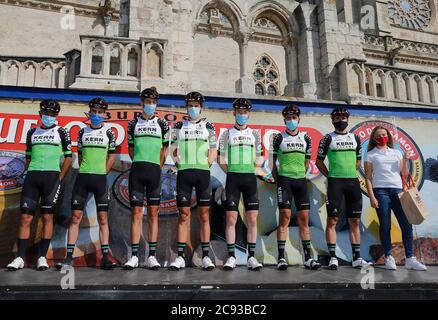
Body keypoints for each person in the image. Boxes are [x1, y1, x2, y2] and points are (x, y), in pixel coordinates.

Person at [7, 100, 72, 271]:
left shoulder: (62, 131)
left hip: (52, 178)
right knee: (25, 217)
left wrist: (60, 177)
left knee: (47, 217)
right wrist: (32, 170)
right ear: (40, 113)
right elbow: (28, 157)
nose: (49, 117)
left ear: (57, 116)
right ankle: (20, 257)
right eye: (46, 113)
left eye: (53, 114)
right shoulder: (31, 132)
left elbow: (68, 157)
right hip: (33, 177)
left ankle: (42, 257)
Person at [56, 97, 116, 270]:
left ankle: (105, 258)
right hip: (83, 178)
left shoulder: (109, 132)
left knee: (103, 219)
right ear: (89, 112)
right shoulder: (82, 132)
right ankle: (69, 258)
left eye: (99, 112)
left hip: (99, 179)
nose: (96, 115)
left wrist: (102, 172)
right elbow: (81, 155)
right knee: (75, 218)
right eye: (93, 112)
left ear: (104, 114)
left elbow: (111, 156)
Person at [316, 106, 372, 269]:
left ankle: (356, 257)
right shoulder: (327, 138)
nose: (341, 121)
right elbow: (319, 161)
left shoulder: (355, 138)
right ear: (332, 120)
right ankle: (333, 257)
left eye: (344, 118)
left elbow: (358, 160)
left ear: (348, 119)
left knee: (354, 220)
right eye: (337, 118)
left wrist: (348, 171)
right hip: (335, 182)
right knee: (332, 220)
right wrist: (330, 175)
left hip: (352, 182)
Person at [364, 126, 427, 271]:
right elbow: (367, 178)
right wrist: (372, 196)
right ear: (373, 138)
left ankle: (410, 259)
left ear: (389, 136)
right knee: (385, 225)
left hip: (398, 191)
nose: (382, 137)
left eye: (384, 134)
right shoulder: (371, 155)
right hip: (380, 192)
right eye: (379, 135)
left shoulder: (396, 153)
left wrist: (405, 160)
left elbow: (404, 174)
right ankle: (389, 257)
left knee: (406, 224)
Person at [169, 92, 217, 271]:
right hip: (184, 174)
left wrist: (208, 164)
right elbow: (172, 148)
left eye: (196, 105)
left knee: (204, 215)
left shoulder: (208, 125)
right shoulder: (179, 125)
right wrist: (177, 163)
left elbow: (213, 149)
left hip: (203, 173)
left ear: (201, 107)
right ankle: (180, 257)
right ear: (186, 106)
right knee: (183, 215)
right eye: (190, 104)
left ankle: (205, 256)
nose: (193, 107)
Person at [123, 87, 169, 270]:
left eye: (153, 102)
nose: (150, 104)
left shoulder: (163, 124)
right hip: (137, 171)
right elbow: (131, 149)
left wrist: (157, 166)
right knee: (135, 213)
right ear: (141, 103)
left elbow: (164, 150)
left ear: (156, 103)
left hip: (154, 172)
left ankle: (152, 255)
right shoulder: (133, 124)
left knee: (152, 214)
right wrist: (140, 162)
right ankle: (134, 256)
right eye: (147, 101)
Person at [271, 105, 321, 270]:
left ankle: (308, 257)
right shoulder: (279, 138)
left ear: (299, 119)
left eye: (294, 117)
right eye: (288, 117)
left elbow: (307, 162)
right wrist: (280, 180)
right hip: (284, 180)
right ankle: (281, 257)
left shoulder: (306, 138)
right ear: (284, 119)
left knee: (304, 219)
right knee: (284, 217)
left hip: (300, 181)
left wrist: (300, 173)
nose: (291, 120)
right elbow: (273, 164)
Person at [218, 98, 264, 271]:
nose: (242, 115)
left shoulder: (255, 134)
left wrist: (255, 168)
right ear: (234, 113)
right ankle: (232, 257)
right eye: (239, 112)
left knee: (252, 219)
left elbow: (261, 155)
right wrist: (229, 171)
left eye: (245, 112)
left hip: (250, 179)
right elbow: (221, 157)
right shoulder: (227, 134)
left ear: (249, 114)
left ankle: (251, 257)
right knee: (231, 218)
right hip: (233, 179)